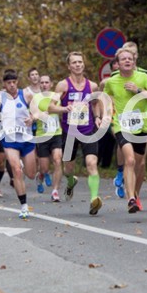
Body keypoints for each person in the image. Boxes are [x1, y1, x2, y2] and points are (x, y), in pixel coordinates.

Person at [103, 47, 147, 213]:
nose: (127, 61)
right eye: (123, 59)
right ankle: (130, 198)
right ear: (117, 64)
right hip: (121, 125)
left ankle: (135, 195)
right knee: (130, 160)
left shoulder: (143, 77)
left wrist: (138, 91)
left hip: (141, 125)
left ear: (134, 62)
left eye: (130, 59)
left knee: (139, 164)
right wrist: (105, 115)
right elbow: (105, 98)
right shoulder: (112, 81)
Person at [50, 52, 105, 215]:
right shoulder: (63, 85)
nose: (78, 65)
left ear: (84, 64)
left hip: (88, 130)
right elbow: (50, 106)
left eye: (80, 62)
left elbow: (95, 104)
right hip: (69, 132)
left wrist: (97, 118)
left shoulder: (92, 86)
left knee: (91, 163)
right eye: (74, 62)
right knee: (68, 168)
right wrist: (63, 108)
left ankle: (94, 199)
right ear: (69, 66)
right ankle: (71, 180)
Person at [0, 70, 37, 220]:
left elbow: (38, 112)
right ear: (4, 84)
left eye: (14, 82)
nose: (11, 85)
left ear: (17, 82)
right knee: (16, 170)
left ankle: (27, 167)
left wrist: (33, 118)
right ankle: (23, 206)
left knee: (30, 174)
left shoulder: (27, 95)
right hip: (9, 140)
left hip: (27, 139)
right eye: (8, 83)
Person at [33, 74, 63, 202]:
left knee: (57, 160)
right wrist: (40, 115)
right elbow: (32, 115)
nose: (44, 84)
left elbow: (62, 112)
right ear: (39, 85)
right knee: (44, 167)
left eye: (47, 82)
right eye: (42, 82)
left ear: (51, 84)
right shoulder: (35, 99)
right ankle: (40, 176)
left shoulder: (56, 98)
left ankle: (55, 191)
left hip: (56, 133)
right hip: (42, 135)